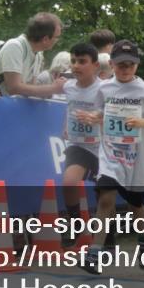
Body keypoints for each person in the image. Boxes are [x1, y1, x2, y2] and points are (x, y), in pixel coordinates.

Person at [79, 40, 144, 272]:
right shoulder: (105, 88)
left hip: (136, 156)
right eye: (121, 65)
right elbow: (101, 111)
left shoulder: (143, 90)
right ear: (112, 64)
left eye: (130, 65)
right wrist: (94, 117)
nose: (125, 69)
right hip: (110, 153)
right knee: (106, 199)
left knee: (134, 205)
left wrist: (142, 122)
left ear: (137, 66)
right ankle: (94, 253)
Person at [59, 42, 104, 248]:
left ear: (95, 65)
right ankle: (77, 227)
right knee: (69, 182)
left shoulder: (105, 88)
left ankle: (106, 239)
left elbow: (117, 115)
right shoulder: (68, 87)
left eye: (82, 62)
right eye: (74, 61)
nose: (77, 66)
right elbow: (69, 108)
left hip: (103, 147)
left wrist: (98, 118)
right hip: (79, 145)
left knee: (104, 195)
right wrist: (65, 126)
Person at [0, 12, 65, 98]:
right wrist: (53, 89)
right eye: (57, 37)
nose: (58, 41)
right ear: (45, 39)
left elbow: (30, 89)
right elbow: (14, 88)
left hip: (14, 107)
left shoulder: (38, 54)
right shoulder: (15, 46)